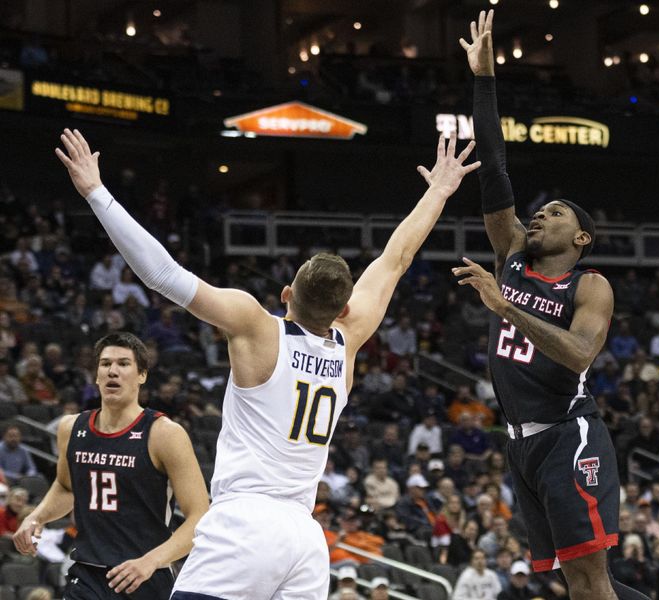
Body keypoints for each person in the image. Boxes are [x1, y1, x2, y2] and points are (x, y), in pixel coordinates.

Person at [54, 128, 479, 600]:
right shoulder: (350, 340)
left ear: (285, 296)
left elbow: (163, 274)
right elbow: (397, 258)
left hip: (246, 523)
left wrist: (96, 192)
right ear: (343, 310)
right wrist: (440, 190)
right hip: (304, 536)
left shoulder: (257, 327)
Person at [456, 10, 647, 600]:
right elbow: (493, 164)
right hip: (521, 442)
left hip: (570, 432)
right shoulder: (511, 250)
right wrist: (484, 80)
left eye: (557, 212)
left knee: (589, 580)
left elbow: (578, 356)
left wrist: (504, 307)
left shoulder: (589, 286)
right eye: (540, 211)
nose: (541, 214)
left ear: (582, 238)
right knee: (581, 581)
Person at [12, 332, 209, 599]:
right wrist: (36, 517)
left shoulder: (164, 434)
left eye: (123, 364)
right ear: (96, 375)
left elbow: (200, 517)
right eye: (105, 364)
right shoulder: (71, 428)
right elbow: (66, 488)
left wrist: (151, 561)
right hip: (86, 575)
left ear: (142, 375)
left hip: (144, 577)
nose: (112, 371)